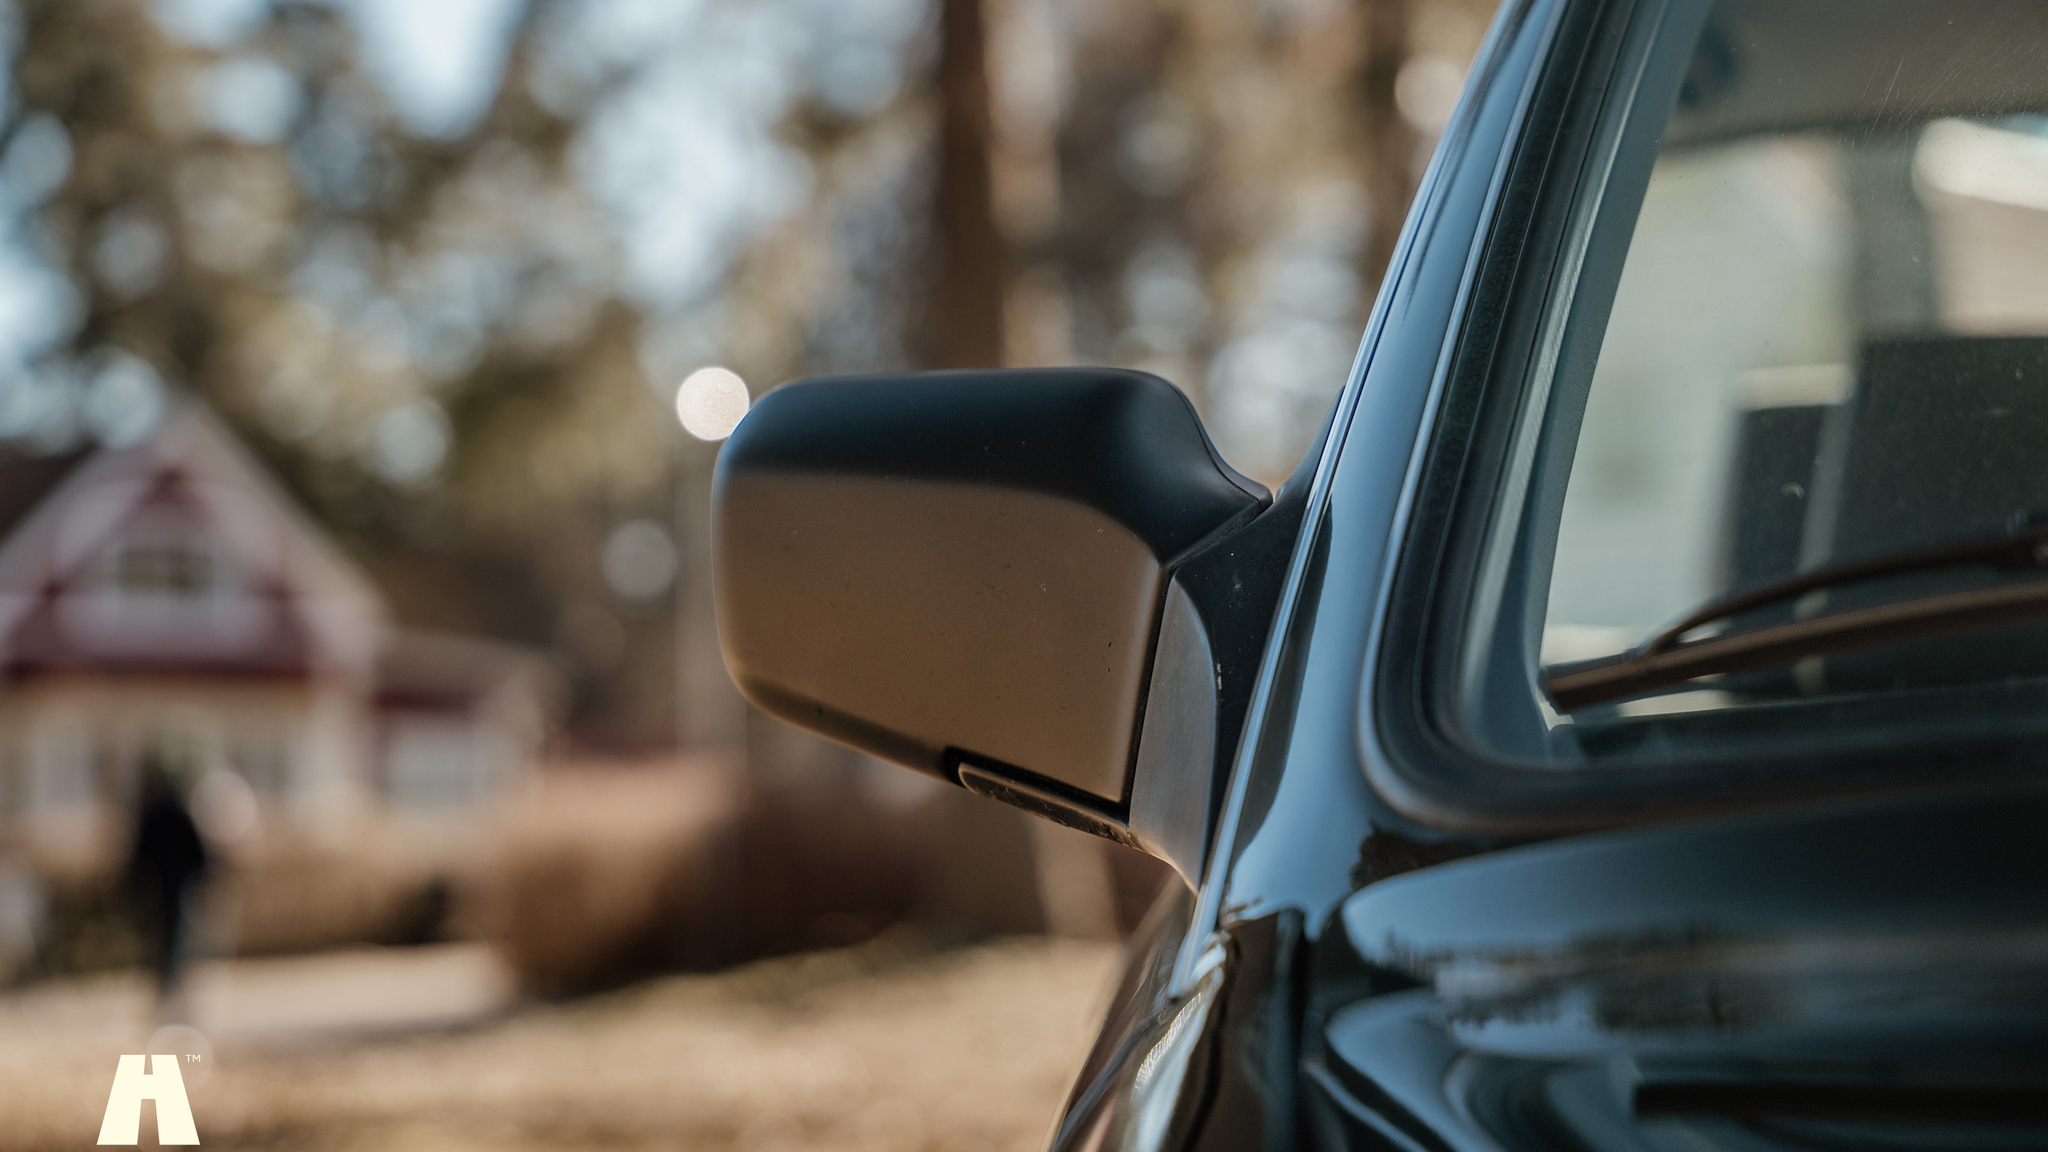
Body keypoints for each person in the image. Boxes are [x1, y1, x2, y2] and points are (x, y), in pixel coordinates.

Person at [124, 753, 210, 1018]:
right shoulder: (177, 813)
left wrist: (135, 880)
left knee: (167, 941)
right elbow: (199, 853)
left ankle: (169, 989)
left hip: (161, 888)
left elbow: (140, 854)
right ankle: (171, 989)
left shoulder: (153, 814)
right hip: (175, 886)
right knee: (175, 940)